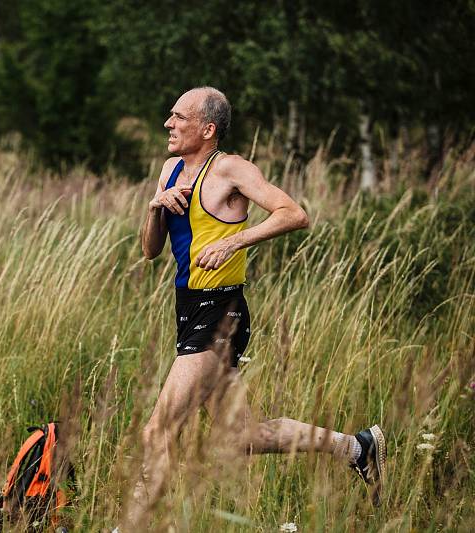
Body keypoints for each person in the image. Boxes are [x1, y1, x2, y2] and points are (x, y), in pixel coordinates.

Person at [125, 87, 386, 526]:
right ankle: (358, 447)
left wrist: (234, 241)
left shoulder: (231, 170)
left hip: (220, 311)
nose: (168, 124)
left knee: (158, 430)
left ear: (207, 128)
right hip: (188, 307)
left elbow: (293, 213)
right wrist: (154, 209)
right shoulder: (169, 170)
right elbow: (150, 251)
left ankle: (134, 526)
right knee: (241, 436)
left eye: (178, 117)